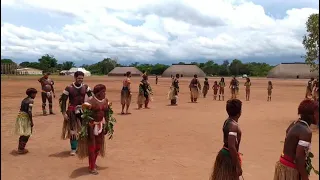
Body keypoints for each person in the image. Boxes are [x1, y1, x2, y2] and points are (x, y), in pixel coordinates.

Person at [273, 99, 319, 180]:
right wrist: (305, 177)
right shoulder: (306, 132)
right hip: (291, 170)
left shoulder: (294, 124)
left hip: (283, 166)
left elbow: (288, 135)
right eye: (317, 112)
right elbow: (299, 158)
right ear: (311, 115)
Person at [77, 84, 115, 175]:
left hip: (101, 125)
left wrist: (107, 125)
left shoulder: (106, 101)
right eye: (103, 92)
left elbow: (107, 114)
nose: (104, 93)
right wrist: (88, 127)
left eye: (105, 91)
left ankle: (93, 163)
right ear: (97, 93)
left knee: (98, 146)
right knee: (92, 147)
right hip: (92, 126)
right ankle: (92, 167)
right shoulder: (90, 101)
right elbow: (86, 116)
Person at [59, 71, 93, 156]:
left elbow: (91, 98)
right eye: (79, 78)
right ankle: (73, 149)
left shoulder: (86, 87)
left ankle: (82, 148)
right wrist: (64, 113)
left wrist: (91, 108)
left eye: (82, 78)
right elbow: (63, 101)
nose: (80, 80)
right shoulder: (68, 88)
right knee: (73, 131)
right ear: (75, 77)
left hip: (83, 111)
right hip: (72, 112)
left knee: (84, 130)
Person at [209, 99, 243, 180]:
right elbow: (231, 146)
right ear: (239, 113)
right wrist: (237, 165)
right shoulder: (234, 126)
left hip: (225, 154)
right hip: (229, 157)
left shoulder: (227, 121)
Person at [15, 88, 38, 154]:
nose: (35, 95)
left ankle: (20, 148)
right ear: (31, 94)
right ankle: (21, 149)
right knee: (27, 133)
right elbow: (29, 111)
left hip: (20, 116)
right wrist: (31, 121)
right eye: (34, 94)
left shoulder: (24, 99)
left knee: (23, 132)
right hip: (25, 117)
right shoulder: (31, 100)